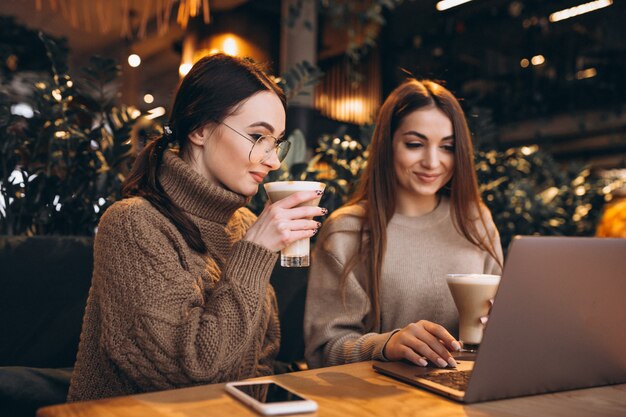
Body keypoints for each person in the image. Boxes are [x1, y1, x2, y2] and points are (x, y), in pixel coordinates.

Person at [68, 54, 325, 401]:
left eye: (276, 142)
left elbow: (261, 353)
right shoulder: (131, 223)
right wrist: (256, 253)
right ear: (200, 129)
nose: (273, 160)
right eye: (257, 137)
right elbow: (185, 375)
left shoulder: (244, 224)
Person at [304, 79, 503, 370]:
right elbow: (323, 351)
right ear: (388, 146)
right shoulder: (348, 230)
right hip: (383, 401)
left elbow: (503, 320)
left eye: (447, 147)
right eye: (415, 144)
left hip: (466, 391)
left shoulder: (475, 220)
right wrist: (385, 345)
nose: (433, 162)